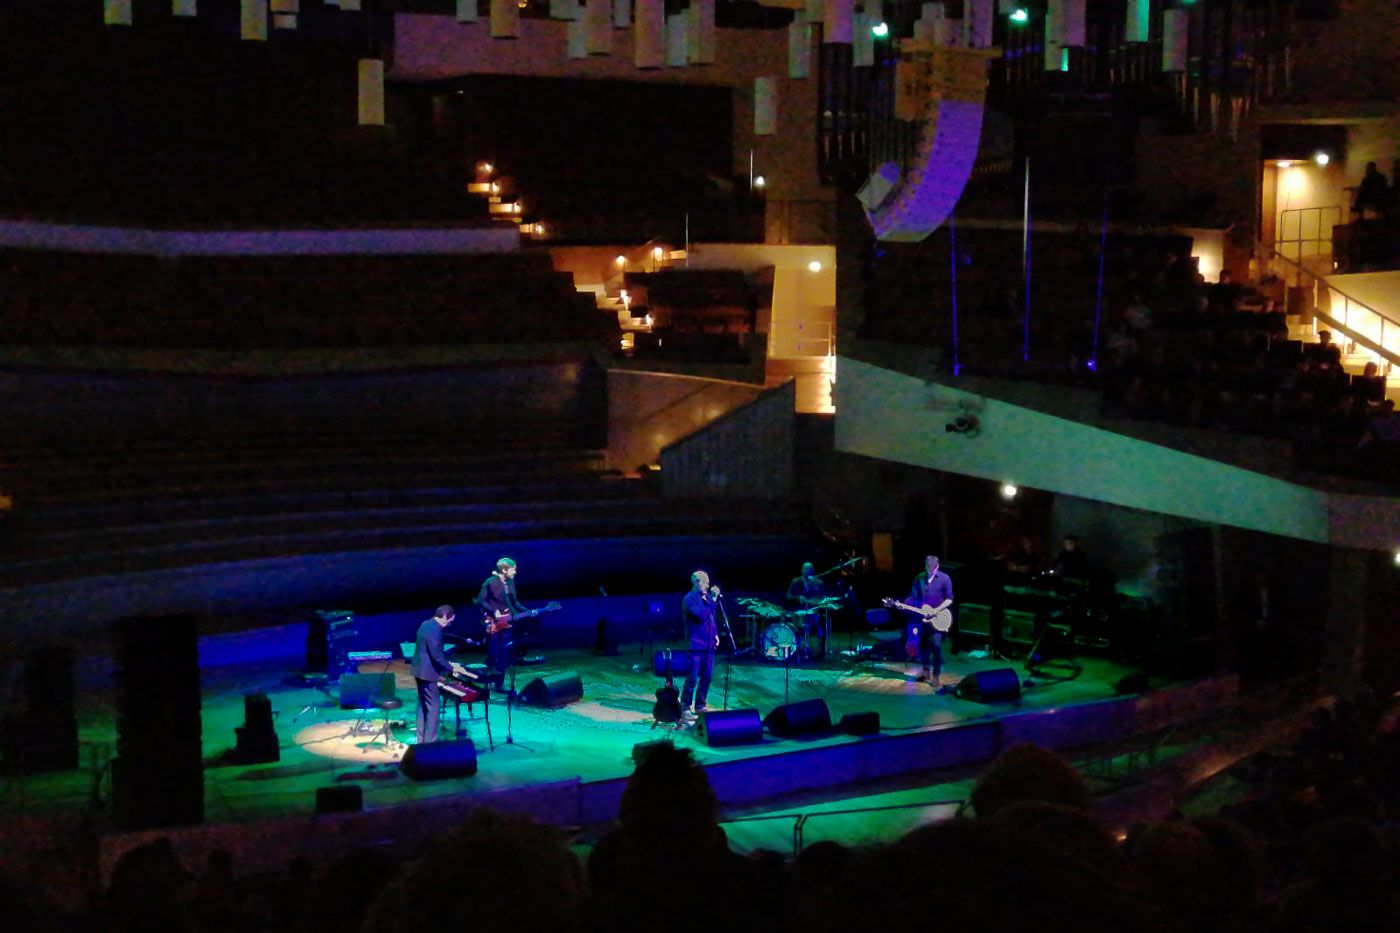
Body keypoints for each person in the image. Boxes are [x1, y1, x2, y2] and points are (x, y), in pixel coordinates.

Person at [411, 605, 463, 745]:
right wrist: (451, 668)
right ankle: (431, 743)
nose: (449, 624)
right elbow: (437, 656)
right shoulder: (435, 630)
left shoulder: (425, 624)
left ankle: (421, 741)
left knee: (423, 706)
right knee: (433, 708)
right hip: (427, 673)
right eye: (450, 621)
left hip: (418, 670)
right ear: (445, 616)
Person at [904, 555, 953, 684]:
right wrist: (903, 604)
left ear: (938, 566)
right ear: (925, 566)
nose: (931, 571)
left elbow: (949, 599)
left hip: (938, 618)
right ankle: (926, 673)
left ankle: (936, 675)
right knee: (924, 644)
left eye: (933, 568)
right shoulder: (920, 578)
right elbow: (913, 596)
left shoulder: (945, 579)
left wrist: (936, 610)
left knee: (936, 646)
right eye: (928, 568)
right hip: (923, 616)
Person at [680, 570, 720, 719]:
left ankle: (700, 705)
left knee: (707, 676)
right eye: (705, 583)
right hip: (695, 644)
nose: (708, 586)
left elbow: (712, 617)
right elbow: (701, 615)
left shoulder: (707, 598)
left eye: (708, 583)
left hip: (709, 644)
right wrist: (713, 600)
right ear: (697, 582)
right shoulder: (689, 599)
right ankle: (685, 706)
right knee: (693, 677)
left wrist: (715, 634)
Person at [478, 557, 527, 677]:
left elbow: (514, 602)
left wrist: (528, 611)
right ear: (504, 570)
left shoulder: (510, 583)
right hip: (493, 624)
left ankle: (499, 683)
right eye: (512, 570)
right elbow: (481, 601)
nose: (515, 572)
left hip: (507, 623)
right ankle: (488, 682)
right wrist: (493, 611)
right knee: (493, 652)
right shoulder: (490, 582)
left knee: (504, 653)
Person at [786, 561, 829, 659]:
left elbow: (822, 597)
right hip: (798, 611)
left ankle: (820, 650)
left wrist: (814, 599)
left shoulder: (818, 583)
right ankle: (796, 648)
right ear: (802, 570)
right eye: (805, 568)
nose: (807, 571)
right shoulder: (795, 581)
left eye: (809, 569)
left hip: (813, 611)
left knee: (822, 622)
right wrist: (798, 598)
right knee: (795, 625)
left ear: (813, 571)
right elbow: (788, 596)